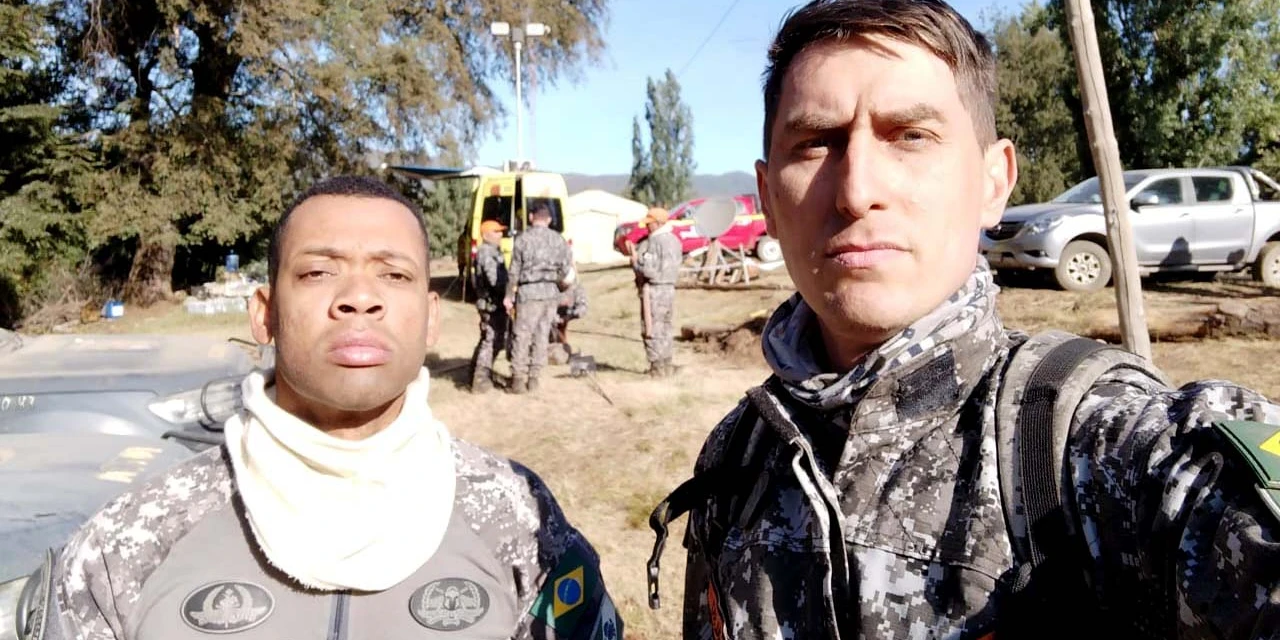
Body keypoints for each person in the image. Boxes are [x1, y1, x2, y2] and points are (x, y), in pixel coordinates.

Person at [658, 1, 1280, 638]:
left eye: (911, 135)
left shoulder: (1092, 449)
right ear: (767, 197)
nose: (855, 192)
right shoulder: (735, 457)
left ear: (993, 182)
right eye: (816, 142)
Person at [35, 176, 622, 640]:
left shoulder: (521, 521)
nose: (359, 298)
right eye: (318, 272)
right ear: (264, 313)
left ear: (431, 318)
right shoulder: (132, 543)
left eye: (393, 274)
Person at [504, 203, 573, 394]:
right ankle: (534, 378)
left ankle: (518, 380)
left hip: (528, 293)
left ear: (531, 217)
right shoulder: (559, 240)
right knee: (542, 336)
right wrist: (557, 285)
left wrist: (509, 295)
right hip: (550, 293)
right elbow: (566, 270)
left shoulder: (522, 239)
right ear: (549, 219)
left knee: (522, 335)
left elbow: (514, 271)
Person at [631, 207, 683, 377]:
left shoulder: (655, 242)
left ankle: (657, 367)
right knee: (666, 326)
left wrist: (635, 263)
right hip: (669, 288)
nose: (647, 226)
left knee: (652, 327)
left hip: (655, 289)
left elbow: (649, 270)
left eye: (650, 223)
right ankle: (667, 363)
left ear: (659, 223)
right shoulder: (674, 240)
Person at [470, 219, 509, 393]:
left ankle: (475, 373)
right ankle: (480, 380)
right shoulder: (487, 253)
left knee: (489, 338)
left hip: (494, 303)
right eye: (496, 232)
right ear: (486, 235)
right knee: (492, 340)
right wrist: (510, 289)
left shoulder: (493, 251)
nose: (501, 235)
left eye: (501, 232)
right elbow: (494, 281)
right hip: (491, 305)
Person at [549, 280, 588, 365]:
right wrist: (555, 318)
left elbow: (583, 309)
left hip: (566, 318)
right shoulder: (550, 286)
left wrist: (569, 316)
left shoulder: (577, 288)